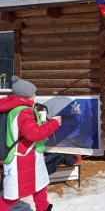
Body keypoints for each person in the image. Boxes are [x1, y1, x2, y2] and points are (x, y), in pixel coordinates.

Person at [0, 76, 62, 211]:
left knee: (40, 185)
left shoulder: (15, 106)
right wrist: (54, 123)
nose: (35, 95)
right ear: (27, 95)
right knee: (14, 194)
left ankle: (43, 208)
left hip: (29, 155)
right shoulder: (23, 111)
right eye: (34, 93)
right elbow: (34, 134)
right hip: (21, 157)